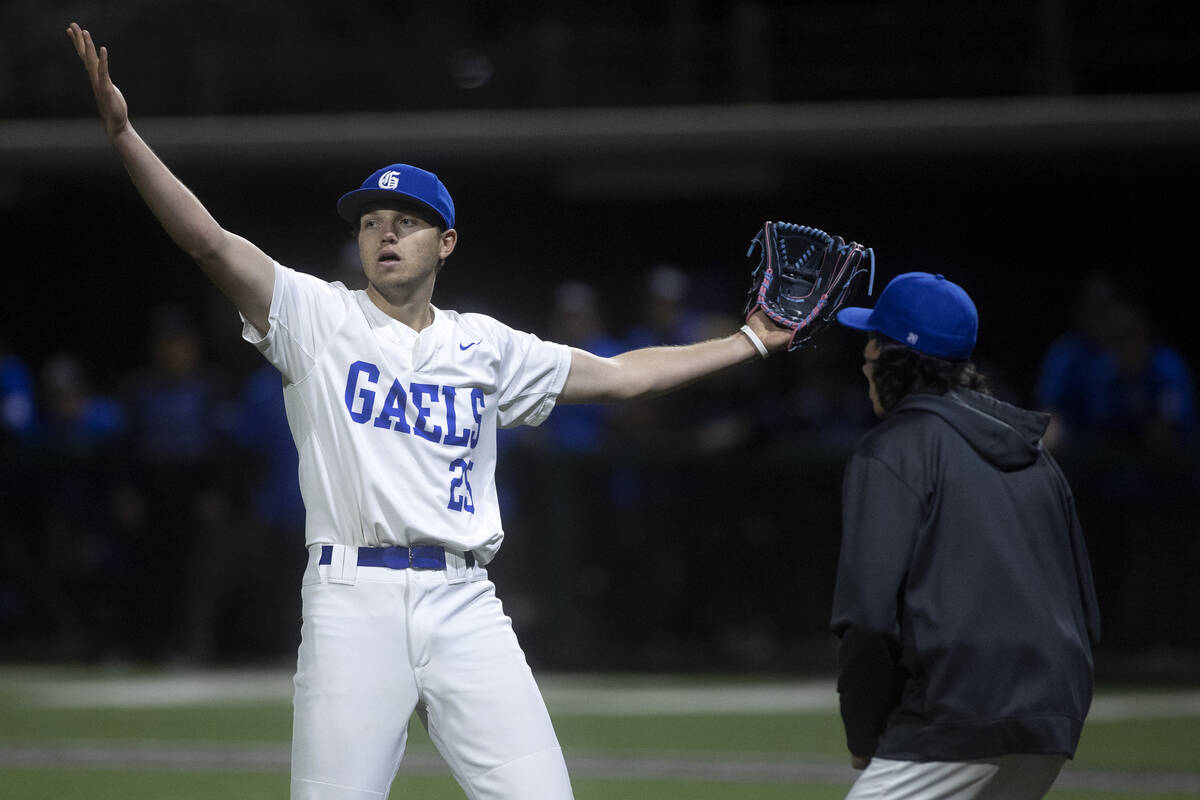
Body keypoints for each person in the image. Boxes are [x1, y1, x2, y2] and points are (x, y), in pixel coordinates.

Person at [67, 23, 795, 800]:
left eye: (405, 221)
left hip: (465, 601)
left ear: (445, 243)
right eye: (371, 221)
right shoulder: (319, 318)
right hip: (354, 601)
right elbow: (209, 244)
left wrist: (750, 339)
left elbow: (624, 378)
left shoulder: (485, 346)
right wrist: (124, 134)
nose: (384, 232)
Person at [829, 272, 1101, 800]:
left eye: (871, 342)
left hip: (955, 714)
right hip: (1055, 715)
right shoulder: (1035, 453)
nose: (863, 356)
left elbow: (866, 618)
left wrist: (864, 732)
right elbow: (1086, 607)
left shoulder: (894, 447)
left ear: (890, 357)